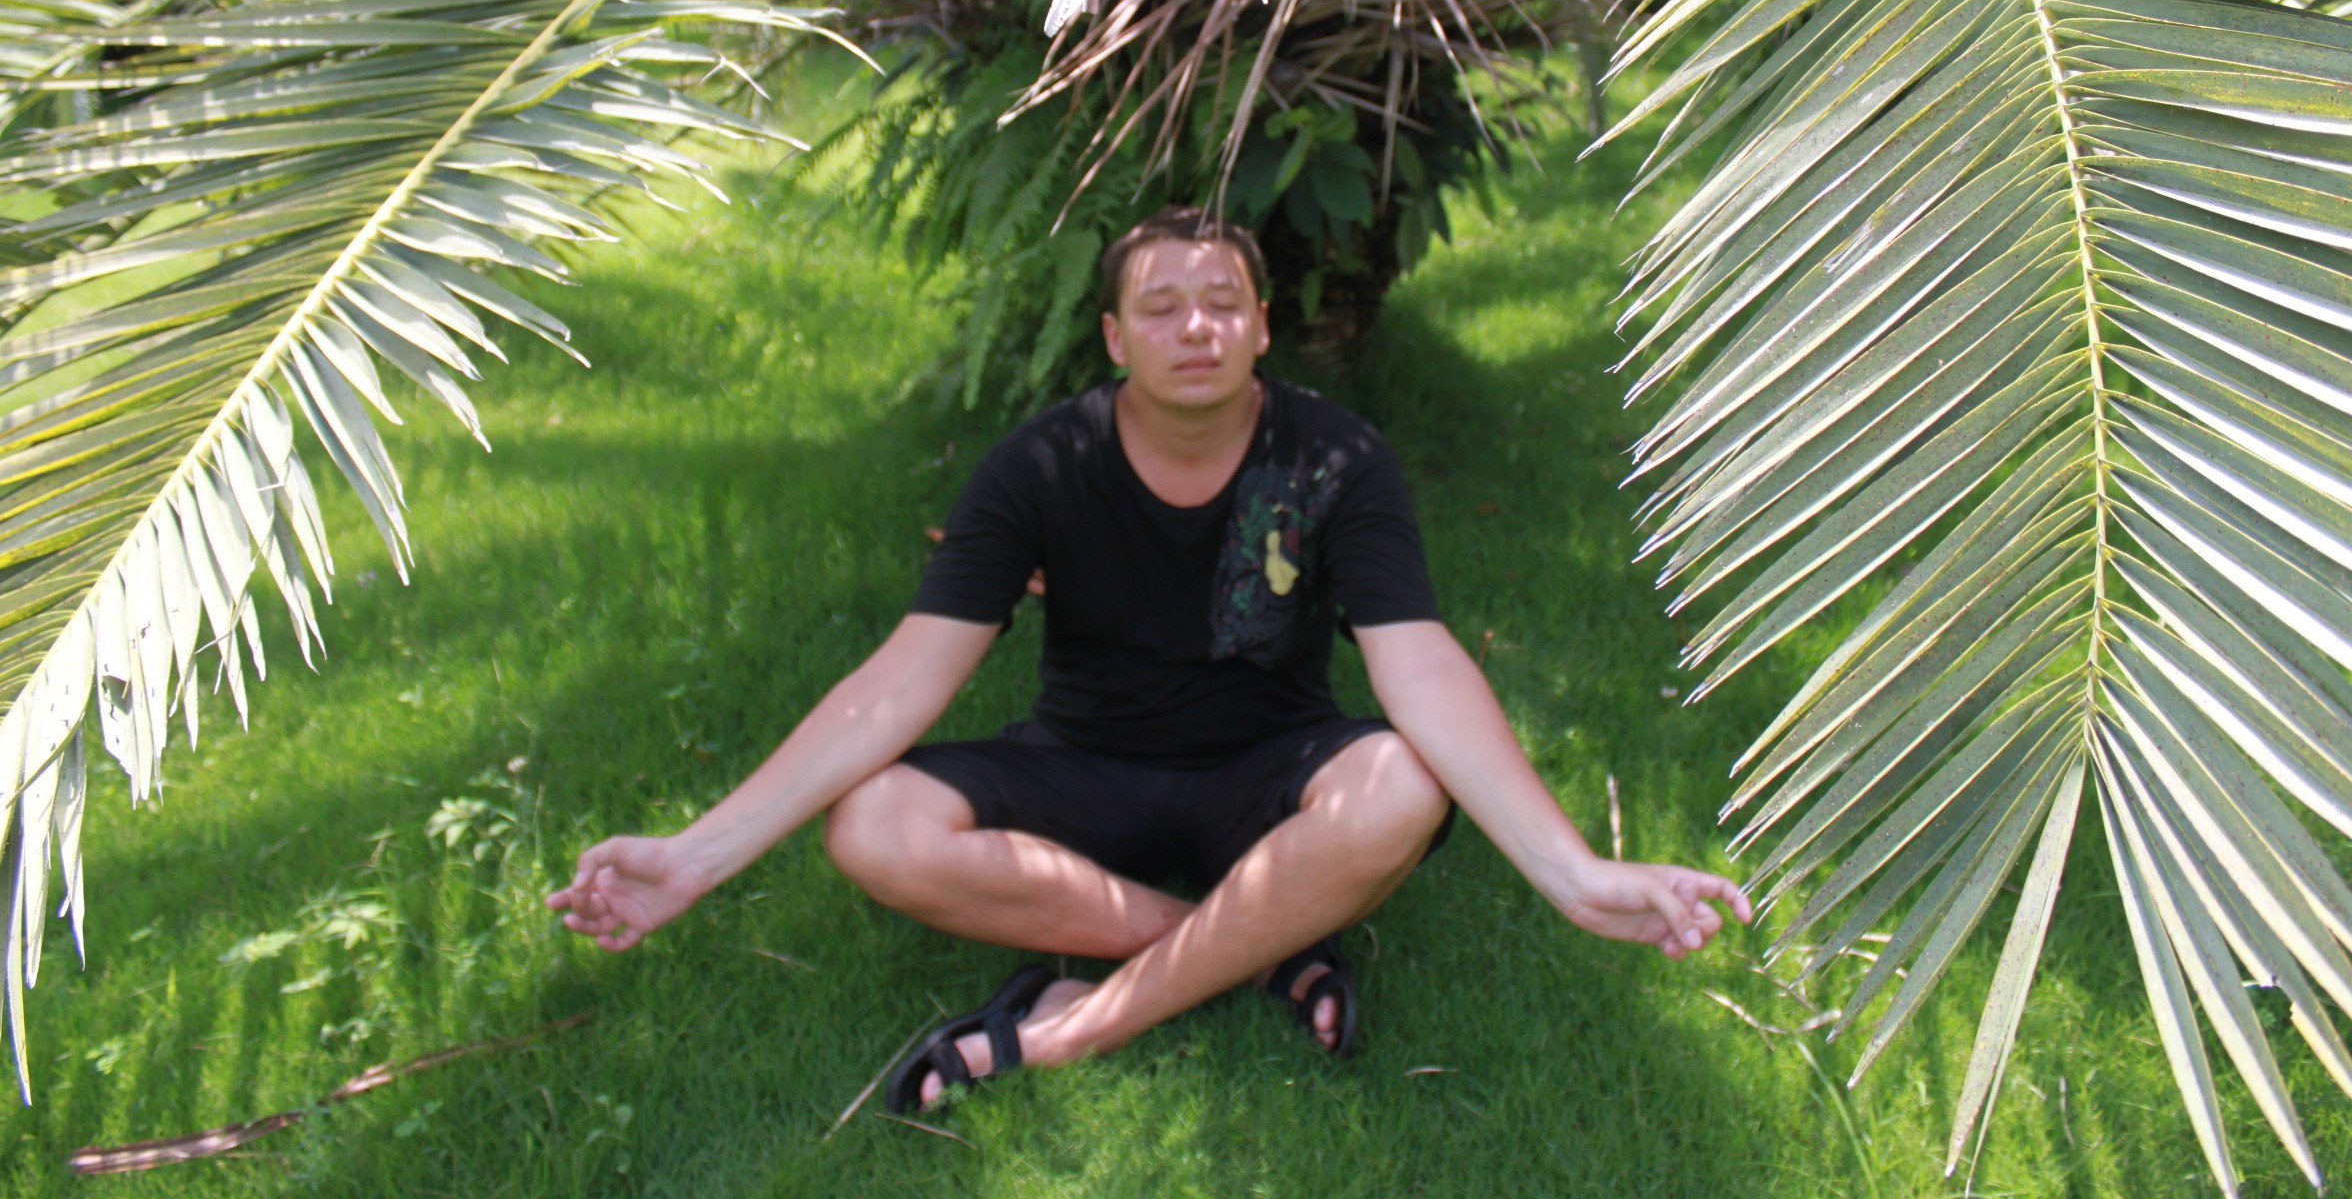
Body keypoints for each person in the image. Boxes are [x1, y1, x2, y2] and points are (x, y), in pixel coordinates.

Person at [547, 205, 1751, 1113]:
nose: (1196, 326)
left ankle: (1071, 1025)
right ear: (1116, 336)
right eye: (1162, 306)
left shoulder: (1336, 457)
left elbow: (1419, 660)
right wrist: (694, 857)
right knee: (873, 824)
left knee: (1398, 781)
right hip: (1086, 772)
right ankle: (1261, 946)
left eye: (1223, 301)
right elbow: (902, 678)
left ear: (1263, 325)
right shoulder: (1039, 466)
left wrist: (1573, 872)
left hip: (1268, 777)